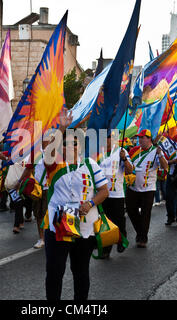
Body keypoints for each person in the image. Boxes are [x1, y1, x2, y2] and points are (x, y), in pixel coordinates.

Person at [42, 110, 109, 301]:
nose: (70, 147)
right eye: (65, 144)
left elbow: (104, 191)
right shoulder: (53, 165)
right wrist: (62, 127)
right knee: (55, 273)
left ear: (80, 147)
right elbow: (47, 148)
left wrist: (90, 203)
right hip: (57, 228)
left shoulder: (90, 165)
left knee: (81, 273)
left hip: (84, 229)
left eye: (74, 143)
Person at [127, 130, 168, 247]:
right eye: (139, 138)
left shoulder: (156, 152)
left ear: (149, 139)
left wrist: (160, 154)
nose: (140, 140)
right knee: (130, 210)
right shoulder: (134, 150)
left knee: (146, 214)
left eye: (142, 138)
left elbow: (165, 167)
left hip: (148, 189)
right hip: (132, 187)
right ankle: (140, 231)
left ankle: (142, 238)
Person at [97, 133, 133, 257]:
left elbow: (129, 170)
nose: (107, 140)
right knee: (105, 222)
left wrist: (124, 158)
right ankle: (106, 250)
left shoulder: (120, 152)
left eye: (109, 137)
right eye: (105, 137)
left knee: (118, 220)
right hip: (102, 194)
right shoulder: (98, 154)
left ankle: (122, 238)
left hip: (117, 193)